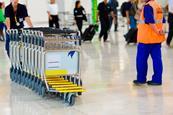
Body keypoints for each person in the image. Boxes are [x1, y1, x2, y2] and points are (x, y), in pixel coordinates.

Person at [133, 0, 165, 85]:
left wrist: (157, 30)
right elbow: (163, 20)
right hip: (156, 39)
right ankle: (157, 80)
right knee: (157, 60)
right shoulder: (158, 6)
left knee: (141, 59)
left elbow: (150, 21)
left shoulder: (148, 6)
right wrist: (161, 30)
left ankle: (141, 79)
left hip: (145, 39)